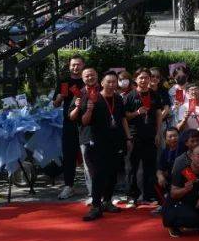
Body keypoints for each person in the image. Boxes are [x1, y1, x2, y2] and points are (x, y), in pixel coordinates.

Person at [76, 69, 130, 221]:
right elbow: (84, 121)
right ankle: (95, 206)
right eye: (109, 82)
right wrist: (89, 109)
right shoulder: (92, 97)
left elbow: (123, 119)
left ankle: (107, 201)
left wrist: (128, 138)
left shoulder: (118, 98)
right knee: (98, 175)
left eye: (114, 82)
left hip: (115, 141)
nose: (112, 85)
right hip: (97, 142)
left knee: (113, 174)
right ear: (102, 83)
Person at [124, 67, 168, 205]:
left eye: (146, 77)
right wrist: (137, 113)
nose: (144, 80)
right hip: (135, 135)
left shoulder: (154, 95)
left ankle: (148, 195)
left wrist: (158, 133)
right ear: (135, 79)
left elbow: (158, 114)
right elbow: (124, 116)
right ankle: (132, 195)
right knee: (132, 167)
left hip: (151, 135)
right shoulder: (130, 96)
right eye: (141, 78)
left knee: (150, 166)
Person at [53, 54, 86, 200]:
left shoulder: (87, 79)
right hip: (69, 123)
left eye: (78, 64)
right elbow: (55, 104)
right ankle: (68, 186)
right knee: (69, 155)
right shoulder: (64, 81)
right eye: (73, 65)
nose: (75, 67)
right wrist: (59, 98)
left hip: (87, 123)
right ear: (69, 66)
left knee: (90, 155)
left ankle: (95, 186)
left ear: (83, 65)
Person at [164, 145, 199, 236]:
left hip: (194, 201)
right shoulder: (182, 170)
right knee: (192, 219)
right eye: (198, 156)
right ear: (192, 157)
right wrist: (185, 189)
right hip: (177, 203)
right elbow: (173, 193)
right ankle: (173, 224)